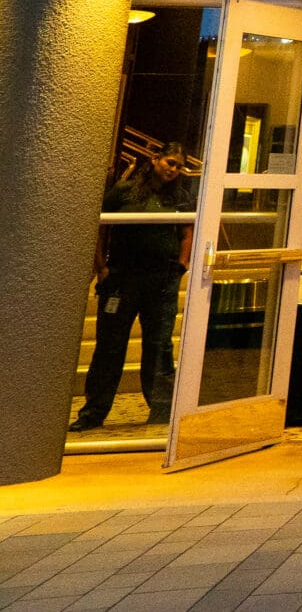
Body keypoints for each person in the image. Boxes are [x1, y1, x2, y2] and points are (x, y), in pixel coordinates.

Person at [71, 147, 195, 432]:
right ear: (155, 160)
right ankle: (93, 413)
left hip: (162, 280)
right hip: (121, 279)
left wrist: (181, 265)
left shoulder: (180, 198)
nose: (173, 169)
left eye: (179, 166)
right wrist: (101, 266)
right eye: (169, 162)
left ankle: (162, 412)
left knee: (159, 345)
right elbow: (98, 225)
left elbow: (187, 231)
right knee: (109, 348)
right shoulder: (124, 191)